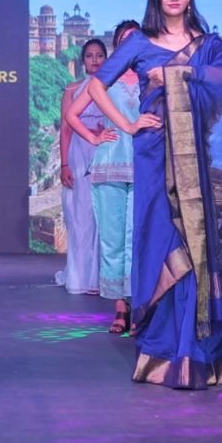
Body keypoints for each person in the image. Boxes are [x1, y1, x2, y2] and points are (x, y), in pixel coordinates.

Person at [87, 0, 222, 389]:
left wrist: (181, 73)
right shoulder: (140, 42)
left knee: (200, 245)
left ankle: (198, 352)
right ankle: (164, 347)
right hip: (156, 154)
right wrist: (128, 124)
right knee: (164, 241)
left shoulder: (209, 45)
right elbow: (97, 86)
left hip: (200, 159)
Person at [66, 21, 141, 334]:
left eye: (136, 38)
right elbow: (72, 115)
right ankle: (120, 308)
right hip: (110, 164)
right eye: (124, 39)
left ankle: (138, 306)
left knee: (137, 238)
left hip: (144, 166)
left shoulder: (152, 75)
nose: (131, 44)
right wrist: (94, 138)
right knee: (112, 239)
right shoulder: (106, 77)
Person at [56, 39, 117, 295]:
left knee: (106, 218)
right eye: (90, 56)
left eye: (99, 55)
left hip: (107, 154)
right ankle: (81, 277)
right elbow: (66, 129)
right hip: (79, 154)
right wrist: (64, 164)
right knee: (81, 217)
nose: (95, 60)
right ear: (83, 61)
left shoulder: (114, 89)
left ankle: (104, 279)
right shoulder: (72, 89)